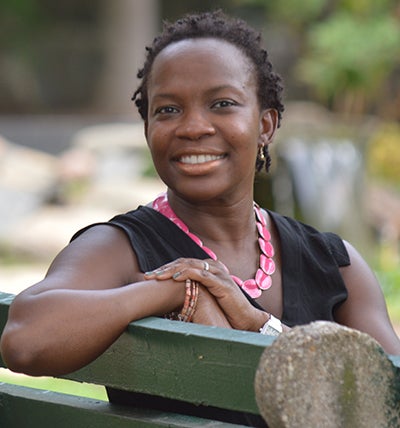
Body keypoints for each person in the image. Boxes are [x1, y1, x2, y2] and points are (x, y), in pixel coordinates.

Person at [1, 9, 400, 427]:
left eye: (222, 104)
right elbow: (26, 339)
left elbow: (388, 394)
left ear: (266, 125)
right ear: (147, 128)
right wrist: (174, 291)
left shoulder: (336, 265)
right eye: (168, 110)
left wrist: (263, 328)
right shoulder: (120, 249)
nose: (192, 127)